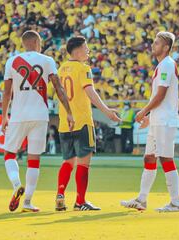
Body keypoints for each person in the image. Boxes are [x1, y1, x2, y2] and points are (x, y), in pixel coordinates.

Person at [2, 30, 74, 213]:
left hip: (18, 115)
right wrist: (69, 112)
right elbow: (58, 88)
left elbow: (7, 93)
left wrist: (4, 116)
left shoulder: (12, 61)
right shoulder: (47, 61)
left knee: (9, 154)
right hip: (40, 115)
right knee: (34, 160)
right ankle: (27, 202)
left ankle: (17, 184)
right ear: (35, 42)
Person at [55, 36, 121, 211]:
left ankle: (60, 195)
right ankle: (80, 201)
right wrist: (107, 111)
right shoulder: (83, 68)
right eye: (85, 48)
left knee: (68, 161)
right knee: (83, 163)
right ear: (76, 51)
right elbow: (90, 92)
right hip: (82, 121)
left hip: (64, 122)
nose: (88, 51)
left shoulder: (60, 70)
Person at [121, 32, 179, 212]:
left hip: (165, 121)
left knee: (165, 158)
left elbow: (161, 95)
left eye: (157, 43)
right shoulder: (162, 65)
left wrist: (144, 111)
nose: (153, 46)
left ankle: (175, 202)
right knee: (149, 157)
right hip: (158, 120)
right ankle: (142, 199)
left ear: (165, 47)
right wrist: (150, 116)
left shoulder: (167, 65)